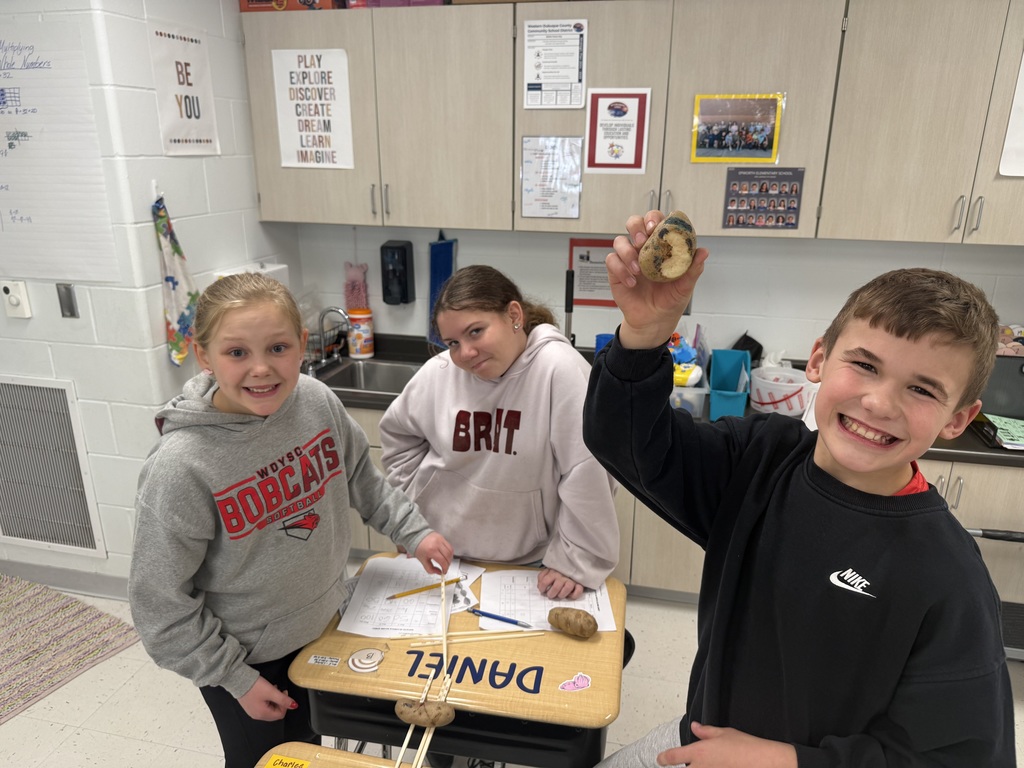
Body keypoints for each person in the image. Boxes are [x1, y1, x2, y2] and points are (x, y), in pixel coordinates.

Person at [583, 210, 1015, 767]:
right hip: (705, 740)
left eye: (923, 389)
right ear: (818, 359)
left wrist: (787, 761)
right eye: (863, 365)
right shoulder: (760, 462)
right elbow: (625, 443)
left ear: (959, 419)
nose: (880, 403)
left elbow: (961, 758)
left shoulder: (946, 576)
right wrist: (643, 336)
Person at [128, 272, 453, 768]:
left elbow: (362, 480)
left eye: (278, 347)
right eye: (237, 353)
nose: (261, 369)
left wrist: (416, 531)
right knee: (265, 761)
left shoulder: (316, 401)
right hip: (243, 659)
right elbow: (159, 607)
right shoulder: (180, 466)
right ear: (204, 355)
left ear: (303, 345)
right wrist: (237, 679)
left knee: (308, 756)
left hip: (324, 626)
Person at [379, 264, 619, 601]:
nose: (465, 353)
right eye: (452, 342)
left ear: (514, 315)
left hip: (529, 566)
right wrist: (412, 521)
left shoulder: (559, 370)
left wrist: (576, 560)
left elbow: (587, 470)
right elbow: (398, 439)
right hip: (445, 558)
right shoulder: (440, 372)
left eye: (476, 331)